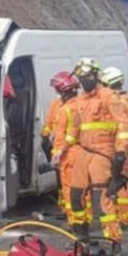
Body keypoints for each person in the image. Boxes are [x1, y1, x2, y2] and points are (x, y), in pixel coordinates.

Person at [69, 58, 128, 242]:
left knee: (100, 200)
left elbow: (123, 124)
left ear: (96, 75)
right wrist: (63, 147)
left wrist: (120, 152)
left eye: (87, 76)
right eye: (81, 78)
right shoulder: (80, 100)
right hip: (84, 152)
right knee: (75, 196)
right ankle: (82, 236)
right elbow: (75, 126)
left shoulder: (108, 96)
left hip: (102, 153)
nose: (84, 81)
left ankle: (113, 240)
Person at [100, 66, 128, 228]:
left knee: (116, 180)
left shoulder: (117, 102)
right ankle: (125, 216)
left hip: (120, 145)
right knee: (123, 180)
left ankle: (121, 218)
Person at [48, 71, 82, 224]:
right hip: (84, 153)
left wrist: (57, 154)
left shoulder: (65, 110)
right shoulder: (83, 105)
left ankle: (74, 222)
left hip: (69, 156)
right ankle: (83, 221)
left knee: (69, 189)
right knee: (82, 190)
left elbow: (62, 136)